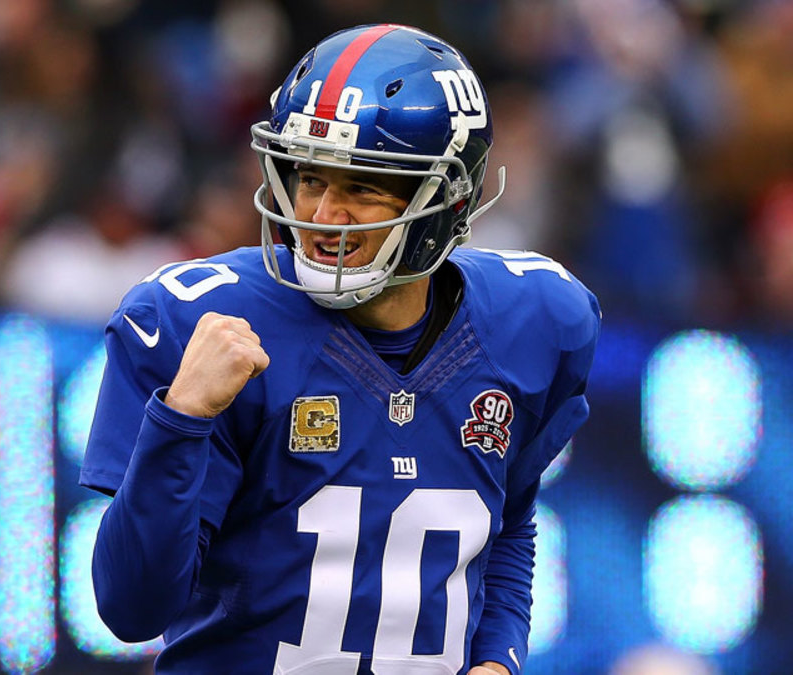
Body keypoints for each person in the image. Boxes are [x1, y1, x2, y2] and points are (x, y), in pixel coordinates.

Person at [79, 23, 600, 675]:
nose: (324, 215)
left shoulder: (537, 317)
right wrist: (180, 417)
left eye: (360, 186)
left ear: (446, 200)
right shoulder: (196, 319)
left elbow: (508, 523)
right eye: (309, 178)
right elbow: (132, 608)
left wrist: (497, 658)